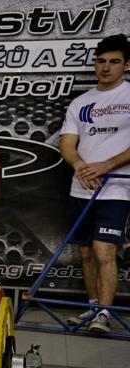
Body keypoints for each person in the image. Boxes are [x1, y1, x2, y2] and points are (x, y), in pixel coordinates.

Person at [60, 34, 130, 334]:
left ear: (126, 65)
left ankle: (104, 314)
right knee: (86, 253)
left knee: (104, 251)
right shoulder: (81, 102)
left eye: (114, 61)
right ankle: (92, 307)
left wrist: (107, 165)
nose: (106, 67)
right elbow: (67, 144)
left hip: (117, 188)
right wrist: (80, 167)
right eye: (101, 61)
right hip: (82, 187)